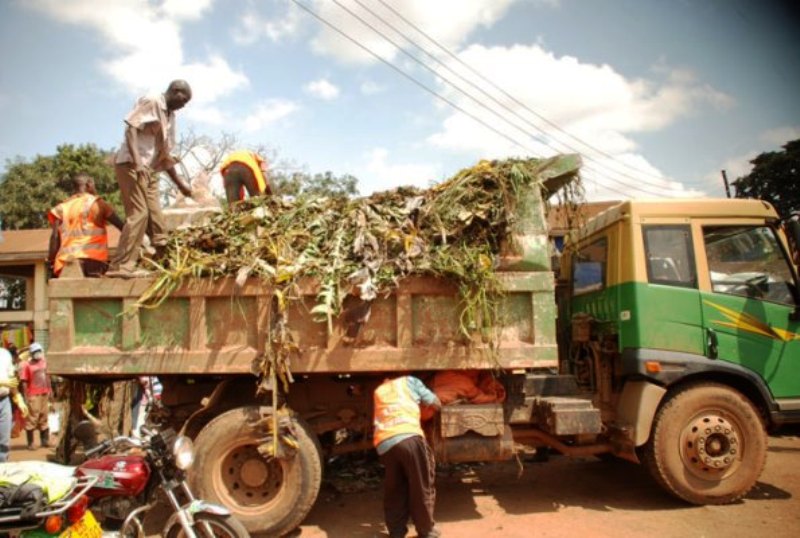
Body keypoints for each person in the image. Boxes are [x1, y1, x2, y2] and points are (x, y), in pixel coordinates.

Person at [106, 79, 194, 279]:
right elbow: (131, 128)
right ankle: (121, 266)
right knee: (139, 214)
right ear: (175, 91)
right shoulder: (153, 100)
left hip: (150, 170)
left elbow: (164, 156)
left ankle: (164, 262)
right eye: (184, 100)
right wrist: (137, 162)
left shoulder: (170, 116)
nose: (184, 105)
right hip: (131, 165)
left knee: (156, 218)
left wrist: (181, 185)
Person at [373, 375, 442, 538]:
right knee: (421, 485)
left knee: (395, 489)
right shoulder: (410, 381)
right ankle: (426, 531)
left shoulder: (379, 390)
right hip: (409, 437)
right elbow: (435, 403)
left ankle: (396, 532)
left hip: (385, 443)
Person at [48, 172, 125, 278]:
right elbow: (123, 227)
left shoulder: (61, 208)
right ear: (89, 184)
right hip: (94, 261)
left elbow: (54, 237)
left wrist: (51, 261)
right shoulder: (98, 204)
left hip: (66, 262)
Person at [19, 343, 52, 450]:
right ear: (31, 353)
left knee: (44, 416)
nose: (37, 353)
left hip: (45, 392)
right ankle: (31, 443)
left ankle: (45, 440)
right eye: (35, 352)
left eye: (39, 351)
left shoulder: (44, 362)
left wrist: (50, 390)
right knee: (33, 417)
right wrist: (26, 396)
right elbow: (24, 382)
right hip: (33, 394)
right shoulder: (26, 365)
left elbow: (48, 377)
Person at [0, 346, 28, 461]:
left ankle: (2, 467)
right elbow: (7, 382)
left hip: (4, 401)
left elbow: (12, 380)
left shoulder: (5, 354)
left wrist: (18, 398)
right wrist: (2, 382)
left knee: (4, 443)